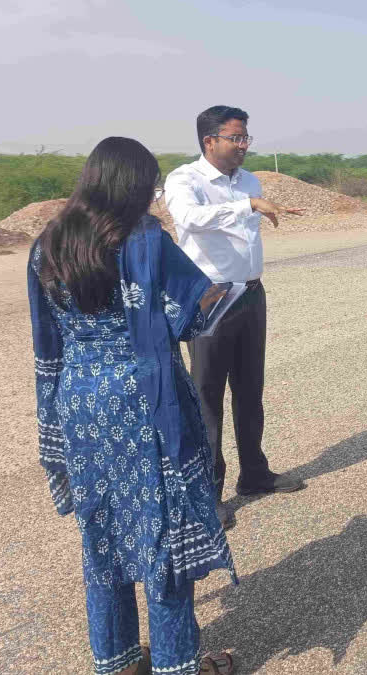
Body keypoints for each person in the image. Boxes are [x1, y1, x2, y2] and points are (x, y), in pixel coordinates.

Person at [29, 137, 237, 675]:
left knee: (104, 538)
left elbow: (46, 344)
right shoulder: (143, 239)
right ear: (136, 184)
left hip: (80, 400)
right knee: (161, 538)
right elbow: (190, 313)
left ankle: (118, 663)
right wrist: (217, 293)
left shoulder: (46, 243)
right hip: (146, 402)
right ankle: (177, 667)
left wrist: (51, 422)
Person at [164, 106, 305, 527]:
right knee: (206, 396)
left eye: (246, 138)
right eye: (235, 138)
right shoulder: (184, 180)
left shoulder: (249, 181)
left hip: (250, 295)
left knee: (250, 390)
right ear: (210, 141)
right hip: (210, 299)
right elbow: (187, 219)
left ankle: (255, 474)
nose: (243, 145)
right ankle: (208, 494)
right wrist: (247, 206)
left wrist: (250, 202)